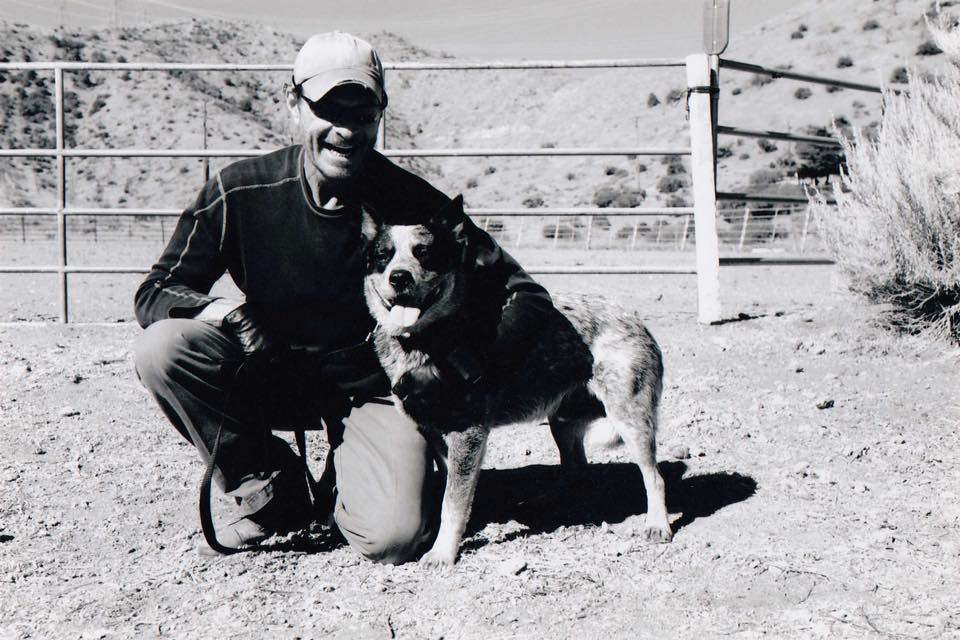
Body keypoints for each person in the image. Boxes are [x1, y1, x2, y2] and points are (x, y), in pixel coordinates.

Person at [133, 31, 555, 564]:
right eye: (329, 109)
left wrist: (464, 364)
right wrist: (226, 311)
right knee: (163, 349)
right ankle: (266, 488)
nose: (346, 130)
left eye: (363, 112)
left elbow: (524, 296)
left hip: (382, 389)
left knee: (394, 538)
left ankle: (346, 482)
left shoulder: (416, 207)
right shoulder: (239, 192)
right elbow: (155, 292)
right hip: (272, 372)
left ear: (381, 113)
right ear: (294, 104)